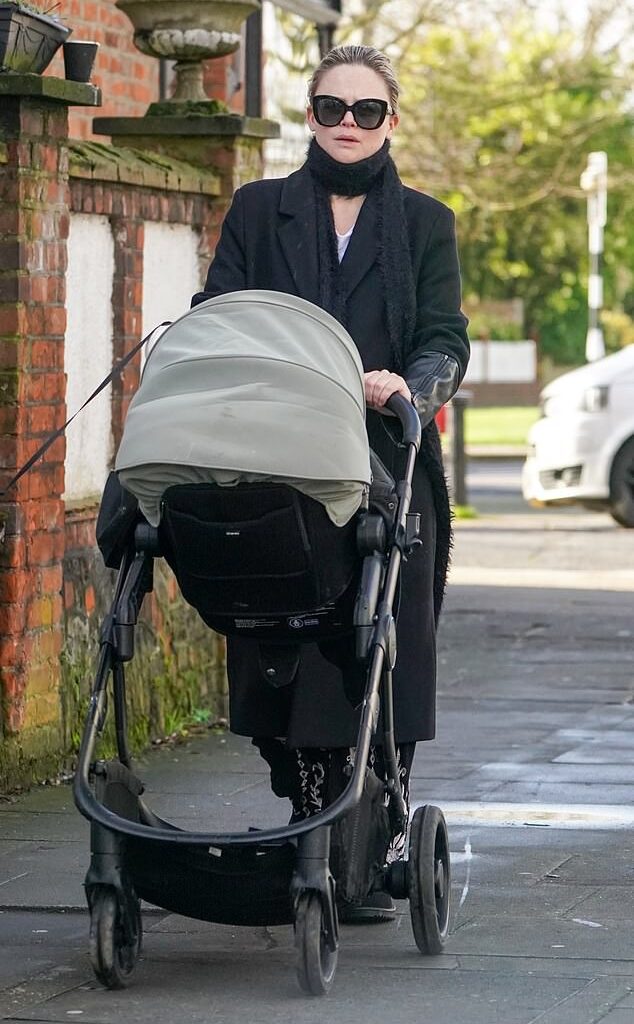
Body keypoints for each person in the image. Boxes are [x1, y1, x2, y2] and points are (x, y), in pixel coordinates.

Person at [191, 44, 470, 921]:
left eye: (367, 110)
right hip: (280, 459)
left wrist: (408, 388)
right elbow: (218, 317)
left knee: (386, 636)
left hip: (385, 460)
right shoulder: (258, 209)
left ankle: (372, 820)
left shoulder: (425, 223)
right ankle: (309, 804)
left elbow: (444, 339)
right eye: (330, 108)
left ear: (393, 119)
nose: (347, 124)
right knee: (285, 630)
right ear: (309, 115)